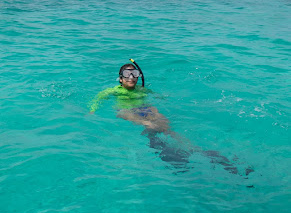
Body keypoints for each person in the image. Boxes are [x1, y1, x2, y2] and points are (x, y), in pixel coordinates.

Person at [90, 61, 252, 176]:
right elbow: (98, 98)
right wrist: (92, 110)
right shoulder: (113, 91)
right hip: (126, 110)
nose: (131, 77)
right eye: (127, 74)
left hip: (145, 108)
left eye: (134, 74)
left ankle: (196, 150)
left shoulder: (142, 90)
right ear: (120, 78)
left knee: (165, 125)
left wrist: (161, 99)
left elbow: (155, 97)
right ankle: (151, 132)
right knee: (143, 121)